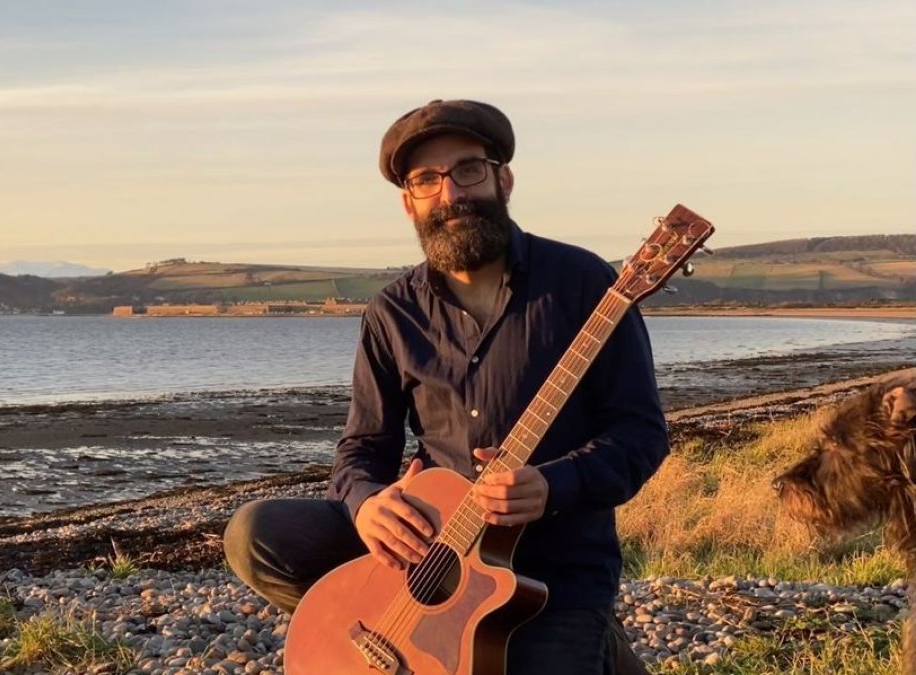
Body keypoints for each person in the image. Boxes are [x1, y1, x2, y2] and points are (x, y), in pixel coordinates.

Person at [224, 99, 669, 675]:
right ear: (409, 203)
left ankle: (595, 644)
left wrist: (554, 484)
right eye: (427, 180)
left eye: (468, 170)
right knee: (254, 534)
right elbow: (361, 450)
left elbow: (640, 434)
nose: (451, 194)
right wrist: (367, 507)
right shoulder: (392, 312)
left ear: (502, 179)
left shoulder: (586, 285)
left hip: (547, 569)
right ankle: (397, 626)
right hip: (424, 550)